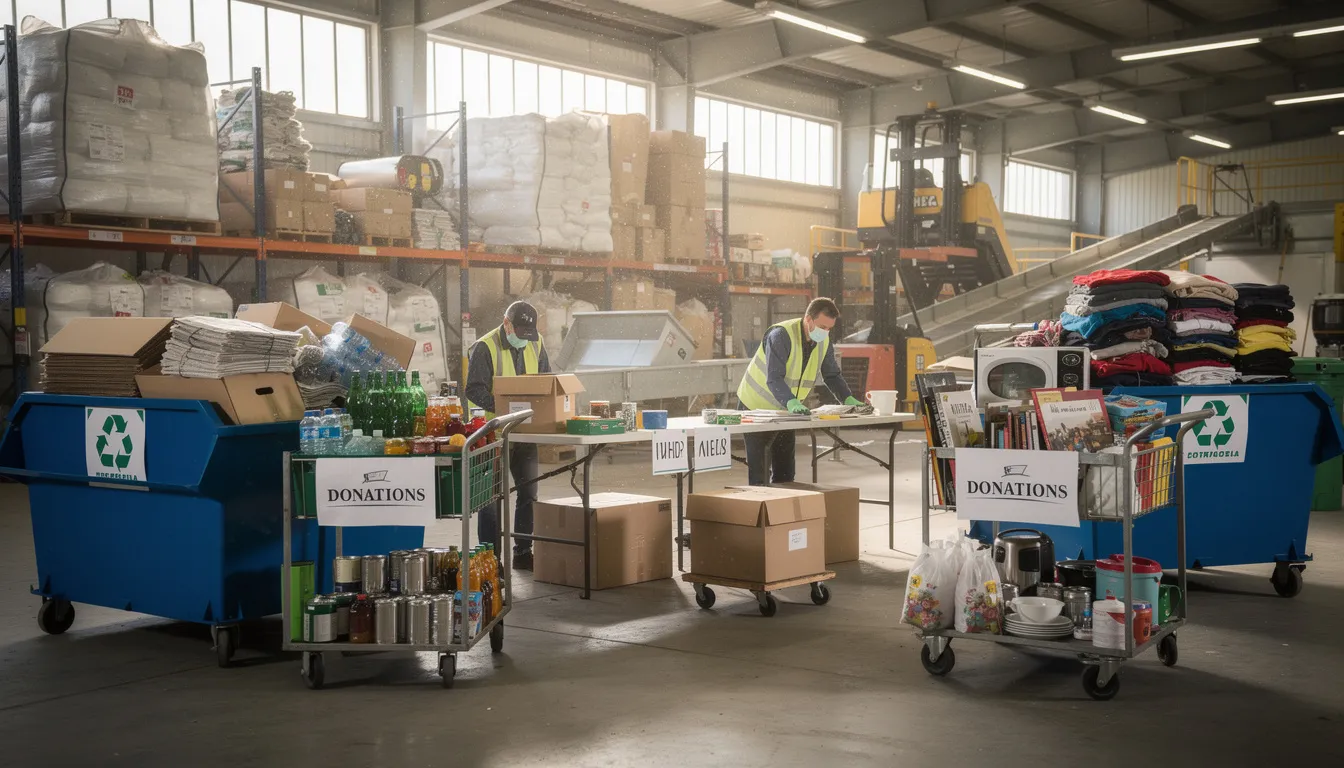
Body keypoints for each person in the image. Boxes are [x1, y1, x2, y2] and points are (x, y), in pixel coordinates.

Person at [735, 297, 867, 486]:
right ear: (808, 319)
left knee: (786, 472)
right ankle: (761, 513)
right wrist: (792, 402)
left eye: (829, 328)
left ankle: (785, 513)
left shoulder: (823, 341)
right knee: (760, 472)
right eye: (822, 326)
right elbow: (774, 378)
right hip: (755, 409)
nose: (825, 332)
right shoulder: (781, 335)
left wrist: (848, 398)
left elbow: (831, 375)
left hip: (787, 411)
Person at [465, 300, 547, 570]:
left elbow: (545, 381)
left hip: (524, 432)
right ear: (506, 323)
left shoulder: (535, 342)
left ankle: (523, 552)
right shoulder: (485, 347)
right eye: (519, 331)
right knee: (489, 501)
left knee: (528, 492)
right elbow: (474, 390)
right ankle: (491, 561)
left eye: (528, 334)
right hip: (493, 435)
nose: (523, 339)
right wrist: (505, 409)